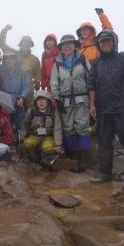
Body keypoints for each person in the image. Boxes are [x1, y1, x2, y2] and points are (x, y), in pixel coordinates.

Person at [89, 30, 124, 189]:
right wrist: (92, 104)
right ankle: (104, 173)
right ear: (98, 45)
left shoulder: (123, 57)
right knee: (104, 143)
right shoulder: (97, 62)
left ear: (114, 42)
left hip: (123, 109)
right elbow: (92, 84)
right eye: (102, 42)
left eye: (108, 41)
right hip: (103, 109)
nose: (105, 43)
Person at [50, 34, 91, 172]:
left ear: (74, 45)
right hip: (65, 100)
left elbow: (90, 78)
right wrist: (56, 98)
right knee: (67, 128)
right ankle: (71, 157)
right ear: (61, 48)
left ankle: (83, 158)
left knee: (83, 127)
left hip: (82, 99)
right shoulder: (58, 63)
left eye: (70, 44)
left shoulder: (82, 59)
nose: (67, 46)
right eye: (64, 45)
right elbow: (54, 82)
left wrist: (92, 97)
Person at [0, 24, 41, 108]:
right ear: (20, 44)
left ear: (31, 45)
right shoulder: (13, 54)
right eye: (24, 43)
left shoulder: (35, 59)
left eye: (28, 43)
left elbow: (37, 76)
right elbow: (2, 43)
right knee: (15, 112)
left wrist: (37, 89)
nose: (26, 45)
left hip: (29, 90)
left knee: (29, 112)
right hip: (15, 91)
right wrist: (5, 30)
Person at [20, 90, 62, 164]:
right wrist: (22, 138)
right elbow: (24, 125)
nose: (41, 102)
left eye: (43, 100)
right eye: (39, 100)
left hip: (48, 137)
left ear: (48, 101)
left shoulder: (53, 112)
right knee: (27, 143)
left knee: (47, 147)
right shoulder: (31, 111)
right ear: (36, 102)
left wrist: (58, 145)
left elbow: (57, 129)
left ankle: (46, 161)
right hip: (34, 135)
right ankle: (35, 159)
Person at [0, 51, 29, 133]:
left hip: (17, 99)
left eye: (12, 58)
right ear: (4, 60)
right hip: (3, 99)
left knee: (19, 121)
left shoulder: (22, 72)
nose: (10, 61)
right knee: (5, 122)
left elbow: (25, 86)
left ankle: (19, 140)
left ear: (15, 60)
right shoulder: (0, 71)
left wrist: (22, 97)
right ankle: (6, 140)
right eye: (7, 59)